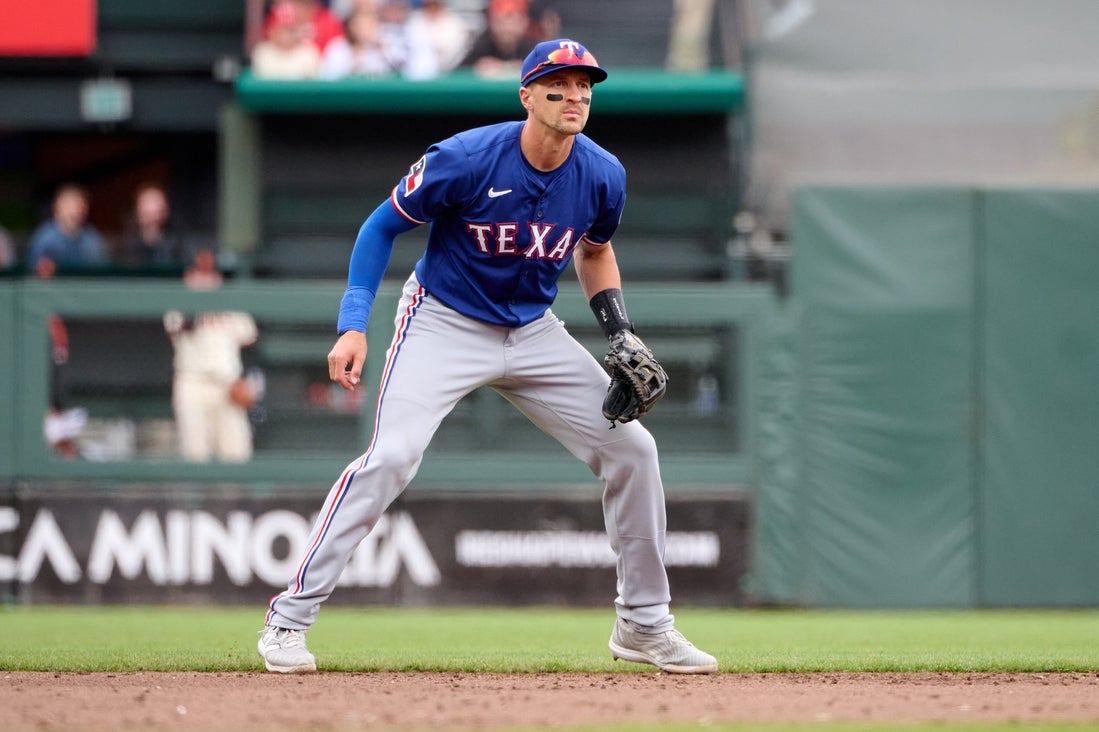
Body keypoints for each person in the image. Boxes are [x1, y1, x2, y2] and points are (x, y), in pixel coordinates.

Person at [257, 38, 719, 675]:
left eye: (585, 86)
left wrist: (619, 331)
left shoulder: (603, 173)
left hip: (532, 330)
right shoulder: (466, 157)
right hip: (443, 321)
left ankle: (644, 625)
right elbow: (380, 226)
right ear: (526, 95)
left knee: (635, 450)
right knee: (391, 457)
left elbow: (594, 251)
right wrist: (352, 325)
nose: (574, 96)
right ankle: (289, 618)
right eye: (558, 84)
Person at [164, 250, 260, 463]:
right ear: (189, 276)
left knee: (236, 455)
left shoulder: (233, 308)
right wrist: (197, 296)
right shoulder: (179, 306)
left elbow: (250, 342)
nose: (206, 279)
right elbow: (179, 325)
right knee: (195, 455)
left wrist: (246, 381)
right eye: (200, 272)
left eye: (210, 273)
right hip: (193, 384)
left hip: (227, 385)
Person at [321, 0, 439, 81]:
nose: (364, 29)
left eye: (369, 23)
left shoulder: (385, 44)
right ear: (351, 25)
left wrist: (382, 50)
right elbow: (330, 79)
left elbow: (403, 73)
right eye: (360, 24)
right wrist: (355, 57)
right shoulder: (339, 47)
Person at [27, 183, 109, 276]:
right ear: (57, 206)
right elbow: (37, 274)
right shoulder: (45, 238)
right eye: (70, 204)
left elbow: (101, 271)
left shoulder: (91, 237)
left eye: (80, 205)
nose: (75, 210)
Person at [458, 0, 540, 79]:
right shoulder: (481, 46)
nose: (507, 28)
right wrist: (476, 68)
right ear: (490, 21)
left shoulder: (535, 49)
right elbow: (459, 74)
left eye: (514, 21)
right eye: (500, 21)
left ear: (525, 21)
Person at [117, 182, 187, 269]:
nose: (155, 207)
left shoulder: (178, 244)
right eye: (148, 202)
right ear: (137, 210)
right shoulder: (125, 246)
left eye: (158, 201)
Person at [252, 0, 323, 80]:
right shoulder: (262, 52)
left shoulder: (309, 53)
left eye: (289, 31)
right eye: (279, 31)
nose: (284, 37)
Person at [411, 0, 474, 72]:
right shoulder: (415, 21)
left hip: (452, 69)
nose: (432, 9)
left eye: (435, 5)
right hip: (421, 70)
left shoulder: (455, 23)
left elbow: (456, 52)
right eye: (428, 6)